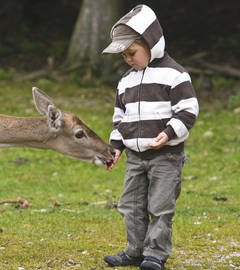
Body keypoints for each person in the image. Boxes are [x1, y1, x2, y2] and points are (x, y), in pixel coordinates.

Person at [101, 4, 199, 270]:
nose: (128, 59)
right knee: (129, 205)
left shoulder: (175, 75)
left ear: (151, 43)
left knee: (160, 206)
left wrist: (168, 134)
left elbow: (188, 111)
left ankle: (155, 255)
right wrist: (116, 147)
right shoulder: (125, 81)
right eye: (124, 56)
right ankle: (134, 251)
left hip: (166, 156)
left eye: (132, 52)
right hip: (135, 157)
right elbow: (119, 118)